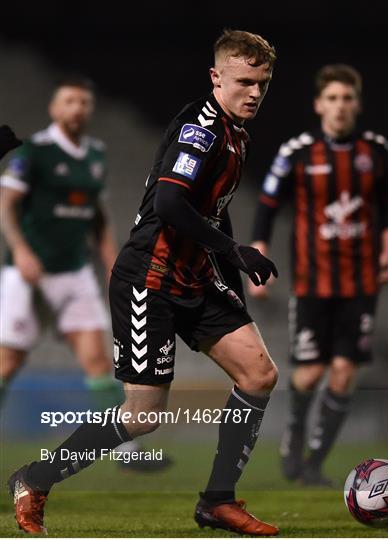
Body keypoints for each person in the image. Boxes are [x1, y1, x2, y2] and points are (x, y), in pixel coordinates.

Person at [8, 30, 280, 536]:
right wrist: (233, 252)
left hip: (195, 277)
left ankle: (217, 501)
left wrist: (236, 270)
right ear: (216, 78)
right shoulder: (199, 130)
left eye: (262, 83)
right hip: (148, 281)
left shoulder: (237, 133)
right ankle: (34, 480)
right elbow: (170, 205)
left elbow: (212, 212)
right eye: (245, 81)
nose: (255, 93)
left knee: (259, 374)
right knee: (144, 414)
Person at [0, 78, 172, 473]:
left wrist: (113, 257)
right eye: (69, 101)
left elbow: (98, 214)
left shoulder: (95, 154)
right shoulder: (35, 153)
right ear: (55, 108)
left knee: (98, 358)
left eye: (83, 101)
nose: (77, 107)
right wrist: (22, 251)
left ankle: (126, 451)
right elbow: (7, 205)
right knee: (7, 363)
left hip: (74, 271)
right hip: (27, 272)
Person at [249, 64, 388, 486]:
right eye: (332, 98)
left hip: (362, 281)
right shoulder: (297, 151)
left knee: (346, 372)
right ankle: (294, 437)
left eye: (347, 98)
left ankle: (314, 463)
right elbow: (267, 204)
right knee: (311, 372)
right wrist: (260, 249)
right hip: (313, 281)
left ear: (358, 104)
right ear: (319, 105)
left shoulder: (377, 150)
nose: (340, 106)